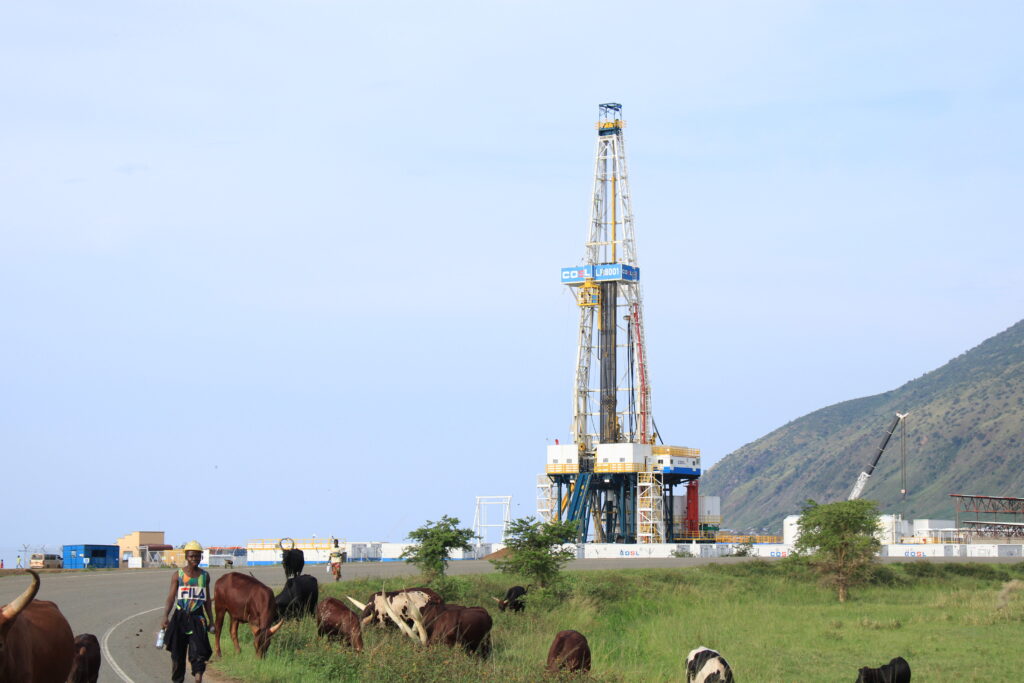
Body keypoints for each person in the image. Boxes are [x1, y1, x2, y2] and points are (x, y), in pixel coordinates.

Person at [161, 541, 214, 683]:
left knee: (199, 652)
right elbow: (171, 598)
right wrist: (165, 616)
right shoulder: (177, 575)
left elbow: (207, 601)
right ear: (186, 556)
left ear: (201, 557)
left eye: (197, 556)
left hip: (198, 618)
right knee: (177, 655)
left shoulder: (205, 576)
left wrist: (211, 621)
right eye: (192, 556)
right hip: (180, 618)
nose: (195, 559)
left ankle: (198, 677)